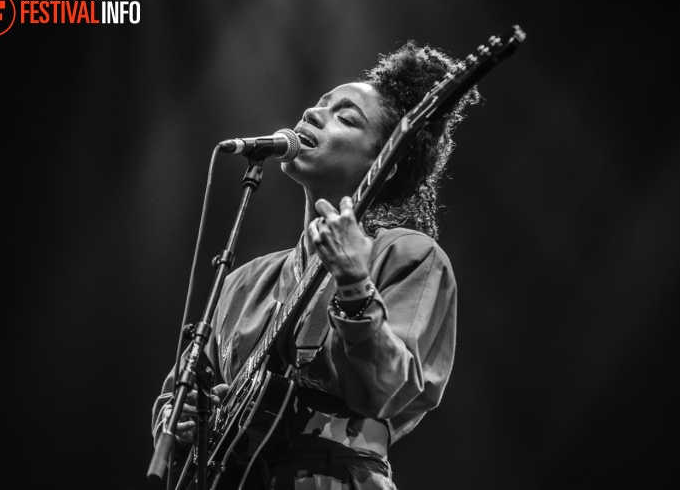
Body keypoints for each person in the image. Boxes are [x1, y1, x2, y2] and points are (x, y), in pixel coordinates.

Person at [152, 40, 479, 490]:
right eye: (317, 106)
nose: (311, 114)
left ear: (383, 160)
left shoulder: (410, 255)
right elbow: (183, 388)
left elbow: (388, 391)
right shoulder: (244, 280)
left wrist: (354, 282)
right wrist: (181, 415)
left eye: (346, 117)